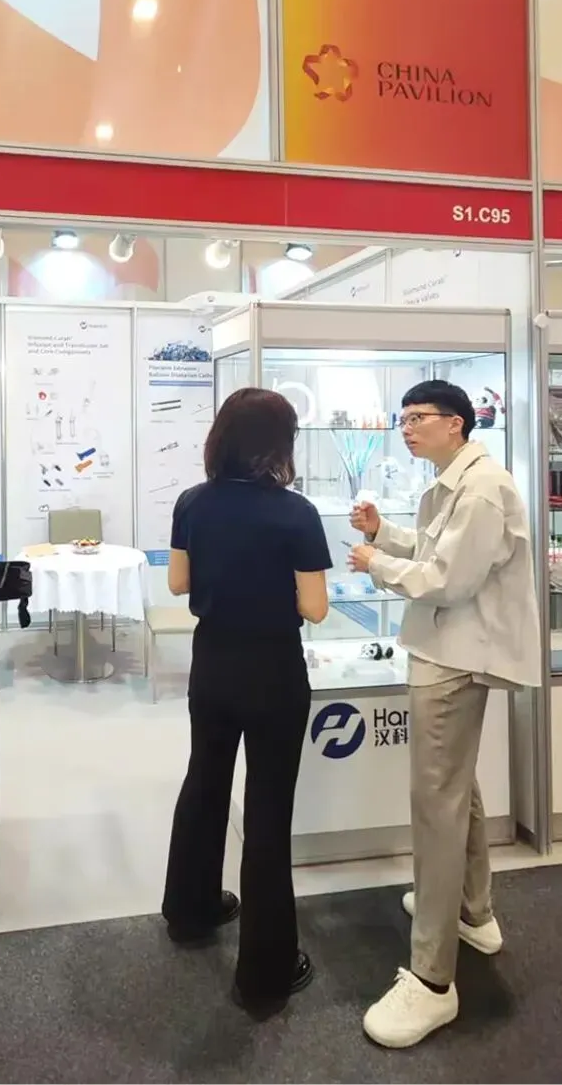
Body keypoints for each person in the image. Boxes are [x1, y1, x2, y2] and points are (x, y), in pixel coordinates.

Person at [348, 379, 540, 1050]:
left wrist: (375, 562)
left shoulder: (480, 489)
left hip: (452, 657)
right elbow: (438, 551)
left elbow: (446, 581)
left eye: (417, 417)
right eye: (402, 417)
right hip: (444, 649)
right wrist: (385, 534)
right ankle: (472, 912)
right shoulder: (456, 481)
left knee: (436, 806)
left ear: (455, 422)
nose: (406, 428)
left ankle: (432, 979)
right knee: (455, 788)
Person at [161, 387, 331, 1009]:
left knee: (204, 781)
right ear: (280, 444)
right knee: (266, 811)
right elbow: (315, 608)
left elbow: (178, 582)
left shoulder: (192, 501)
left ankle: (190, 908)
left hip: (212, 663)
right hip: (273, 670)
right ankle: (265, 973)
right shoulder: (296, 512)